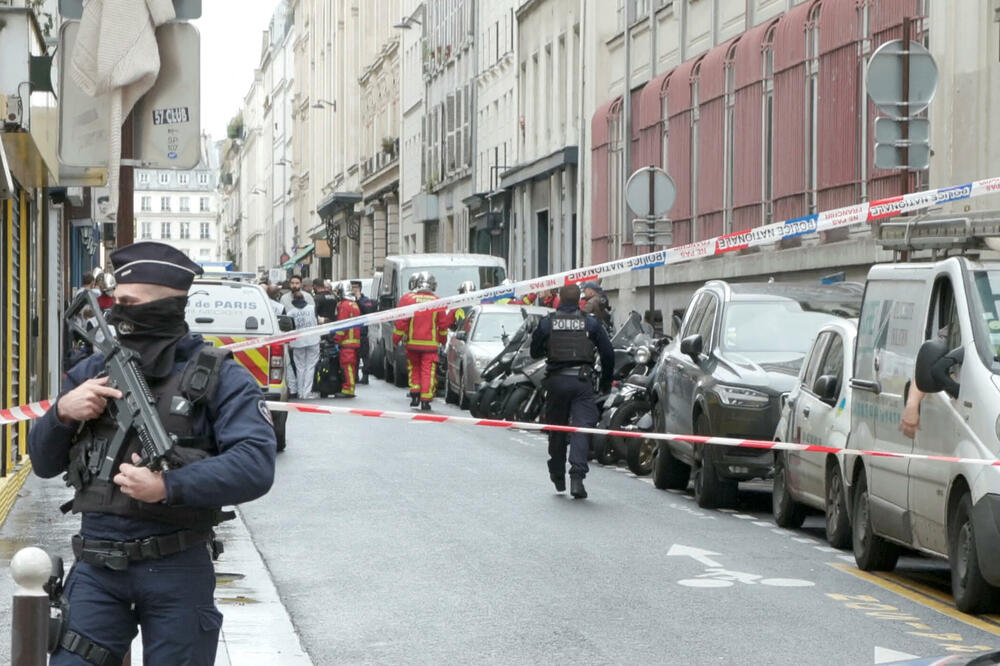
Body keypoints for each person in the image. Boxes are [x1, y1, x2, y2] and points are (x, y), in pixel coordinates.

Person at [28, 241, 276, 665]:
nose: (116, 312)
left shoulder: (218, 376)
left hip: (177, 565)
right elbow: (44, 463)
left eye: (129, 303)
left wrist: (167, 485)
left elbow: (255, 464)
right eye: (115, 302)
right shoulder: (91, 371)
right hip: (98, 568)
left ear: (167, 306)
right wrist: (62, 415)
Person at [530, 283, 614, 499]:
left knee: (556, 428)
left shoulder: (548, 323)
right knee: (581, 428)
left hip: (556, 382)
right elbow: (608, 354)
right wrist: (605, 383)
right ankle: (577, 478)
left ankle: (557, 474)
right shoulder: (591, 323)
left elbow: (534, 351)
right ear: (579, 301)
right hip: (581, 383)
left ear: (560, 299)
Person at [394, 271, 453, 410]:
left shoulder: (409, 299)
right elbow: (443, 325)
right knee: (428, 371)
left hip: (412, 343)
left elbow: (401, 322)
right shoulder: (437, 301)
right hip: (430, 345)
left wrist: (395, 340)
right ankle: (425, 400)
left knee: (414, 368)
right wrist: (443, 341)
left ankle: (415, 393)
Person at [284, 275, 321, 399]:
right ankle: (306, 392)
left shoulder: (290, 313)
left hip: (297, 342)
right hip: (312, 340)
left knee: (300, 367)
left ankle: (300, 392)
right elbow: (318, 321)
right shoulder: (312, 309)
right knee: (310, 366)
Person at [333, 285, 363, 397]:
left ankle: (348, 389)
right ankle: (350, 387)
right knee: (352, 366)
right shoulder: (354, 305)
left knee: (347, 365)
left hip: (347, 342)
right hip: (354, 341)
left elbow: (342, 325)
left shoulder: (344, 306)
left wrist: (336, 339)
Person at [351, 280, 376, 384]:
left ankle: (365, 376)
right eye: (353, 287)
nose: (354, 289)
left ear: (360, 288)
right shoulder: (349, 300)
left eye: (356, 287)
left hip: (362, 333)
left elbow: (368, 310)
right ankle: (354, 376)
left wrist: (359, 300)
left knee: (365, 356)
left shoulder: (365, 300)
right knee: (353, 356)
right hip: (351, 333)